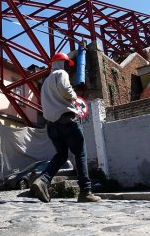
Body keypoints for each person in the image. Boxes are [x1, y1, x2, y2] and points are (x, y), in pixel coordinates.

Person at [31, 52, 101, 203]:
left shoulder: (45, 83)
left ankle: (42, 180)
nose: (67, 68)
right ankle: (85, 191)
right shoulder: (61, 73)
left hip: (52, 126)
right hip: (66, 121)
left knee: (61, 155)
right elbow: (65, 90)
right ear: (61, 63)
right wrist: (75, 97)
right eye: (66, 64)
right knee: (80, 154)